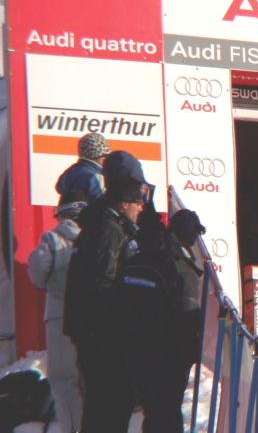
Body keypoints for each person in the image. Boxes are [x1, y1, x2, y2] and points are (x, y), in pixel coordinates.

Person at [63, 174, 146, 432]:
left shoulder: (98, 224)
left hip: (92, 329)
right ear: (124, 204)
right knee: (110, 402)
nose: (141, 207)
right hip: (102, 333)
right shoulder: (109, 230)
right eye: (137, 202)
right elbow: (103, 282)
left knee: (102, 403)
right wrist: (114, 326)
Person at [116, 209, 205, 432]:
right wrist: (191, 353)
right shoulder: (180, 267)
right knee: (166, 414)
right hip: (167, 353)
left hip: (132, 349)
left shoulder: (132, 261)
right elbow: (188, 315)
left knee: (153, 412)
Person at [28, 191, 87, 433]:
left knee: (63, 379)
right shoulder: (95, 238)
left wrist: (48, 285)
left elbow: (38, 269)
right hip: (90, 315)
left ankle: (73, 428)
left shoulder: (52, 239)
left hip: (59, 314)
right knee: (86, 378)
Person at [56, 133, 111, 202]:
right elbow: (101, 204)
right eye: (106, 156)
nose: (107, 159)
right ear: (100, 156)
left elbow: (60, 188)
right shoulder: (95, 177)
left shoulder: (71, 171)